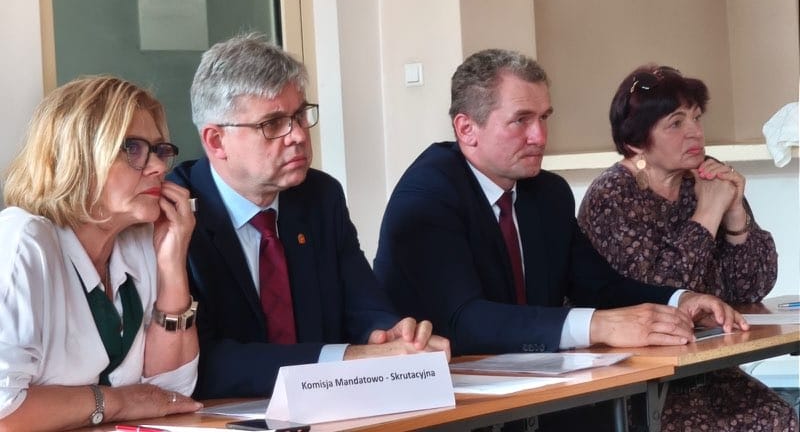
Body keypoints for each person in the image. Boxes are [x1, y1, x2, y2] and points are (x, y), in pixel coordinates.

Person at [374, 49, 747, 430]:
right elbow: (464, 320)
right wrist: (599, 326)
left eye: (544, 118)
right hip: (440, 410)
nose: (540, 137)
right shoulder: (427, 195)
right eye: (521, 120)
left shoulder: (546, 193)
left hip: (535, 395)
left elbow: (599, 286)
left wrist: (679, 300)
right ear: (467, 129)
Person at [168, 33, 449, 399]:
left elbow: (363, 304)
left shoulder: (320, 196)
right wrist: (350, 360)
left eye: (300, 115)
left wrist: (391, 335)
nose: (298, 135)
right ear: (216, 141)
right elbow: (204, 362)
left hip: (326, 409)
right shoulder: (176, 216)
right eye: (273, 124)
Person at [578, 64, 798, 431]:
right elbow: (657, 295)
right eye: (675, 123)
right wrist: (708, 212)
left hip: (705, 365)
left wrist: (734, 213)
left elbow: (752, 288)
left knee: (779, 418)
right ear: (636, 142)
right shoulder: (612, 195)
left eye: (696, 118)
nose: (695, 131)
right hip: (639, 379)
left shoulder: (707, 177)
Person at [0, 76, 201, 431]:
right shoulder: (23, 240)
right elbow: (5, 412)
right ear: (76, 157)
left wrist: (172, 266)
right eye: (132, 149)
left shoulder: (139, 241)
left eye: (159, 150)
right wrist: (118, 402)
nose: (158, 167)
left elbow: (171, 395)